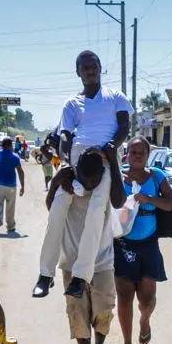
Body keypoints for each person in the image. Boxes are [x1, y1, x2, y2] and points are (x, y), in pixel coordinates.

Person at [33, 51, 132, 300]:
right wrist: (65, 159)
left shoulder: (116, 97)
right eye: (85, 68)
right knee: (58, 208)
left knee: (97, 212)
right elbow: (65, 134)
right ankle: (45, 275)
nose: (90, 71)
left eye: (94, 66)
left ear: (100, 68)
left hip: (105, 158)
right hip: (77, 158)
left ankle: (80, 277)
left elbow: (124, 127)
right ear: (78, 72)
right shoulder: (71, 103)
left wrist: (110, 147)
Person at [46, 147, 126, 344]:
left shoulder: (106, 184)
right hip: (71, 261)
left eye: (95, 180)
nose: (90, 185)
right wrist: (55, 183)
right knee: (78, 314)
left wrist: (112, 160)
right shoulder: (68, 182)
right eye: (85, 180)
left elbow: (120, 201)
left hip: (102, 260)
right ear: (77, 172)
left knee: (104, 310)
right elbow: (52, 209)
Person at [114, 136, 172, 344]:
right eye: (133, 152)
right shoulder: (118, 176)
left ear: (148, 154)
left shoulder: (157, 177)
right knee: (124, 296)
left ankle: (144, 320)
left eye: (142, 152)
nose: (138, 156)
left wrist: (148, 199)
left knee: (147, 298)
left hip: (149, 243)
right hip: (122, 242)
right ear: (127, 155)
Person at [0, 137, 24, 236]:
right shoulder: (15, 157)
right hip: (11, 186)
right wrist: (22, 186)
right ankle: (10, 227)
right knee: (10, 207)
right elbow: (20, 171)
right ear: (11, 145)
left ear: (2, 145)